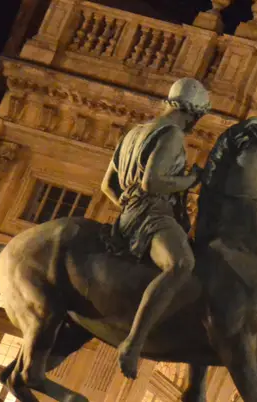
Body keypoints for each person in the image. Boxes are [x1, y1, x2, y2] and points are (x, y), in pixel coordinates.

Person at [100, 77, 211, 378]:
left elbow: (106, 185)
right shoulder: (172, 134)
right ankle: (134, 343)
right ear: (193, 114)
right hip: (154, 215)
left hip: (127, 216)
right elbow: (153, 182)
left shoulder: (135, 131)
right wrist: (192, 179)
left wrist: (127, 205)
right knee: (181, 264)